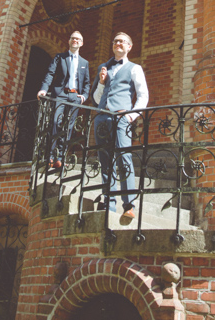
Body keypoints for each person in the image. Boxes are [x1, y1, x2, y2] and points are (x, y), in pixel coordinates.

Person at [92, 32, 149, 221]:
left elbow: (143, 95)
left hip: (121, 118)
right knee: (105, 161)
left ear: (129, 46)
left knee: (124, 159)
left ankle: (129, 205)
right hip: (102, 118)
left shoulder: (134, 68)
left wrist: (132, 115)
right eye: (115, 41)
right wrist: (101, 82)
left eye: (122, 41)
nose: (118, 43)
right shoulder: (103, 68)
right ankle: (108, 202)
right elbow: (96, 99)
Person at [37, 31, 90, 169]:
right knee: (55, 122)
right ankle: (50, 156)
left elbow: (87, 83)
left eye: (78, 39)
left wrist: (84, 95)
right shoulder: (60, 57)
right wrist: (43, 89)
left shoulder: (84, 63)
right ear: (69, 41)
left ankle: (61, 157)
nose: (75, 41)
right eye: (73, 38)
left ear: (82, 43)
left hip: (75, 97)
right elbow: (50, 74)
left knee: (69, 127)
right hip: (60, 94)